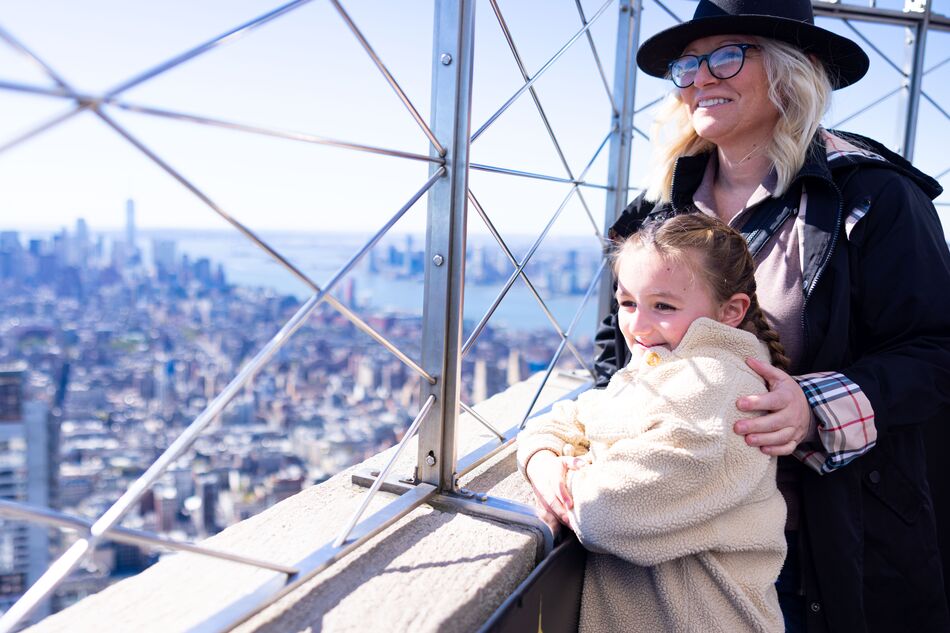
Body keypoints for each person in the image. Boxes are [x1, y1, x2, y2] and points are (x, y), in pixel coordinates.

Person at [590, 1, 950, 631]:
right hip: (675, 529)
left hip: (828, 545)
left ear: (793, 70)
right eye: (688, 63)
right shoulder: (656, 211)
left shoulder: (873, 196)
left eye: (727, 55)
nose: (701, 77)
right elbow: (614, 352)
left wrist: (815, 409)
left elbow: (937, 349)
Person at [519, 213, 790, 632]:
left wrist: (576, 475)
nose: (638, 326)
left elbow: (606, 512)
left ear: (731, 311)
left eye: (663, 306)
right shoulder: (657, 370)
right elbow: (562, 419)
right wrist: (545, 461)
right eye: (627, 303)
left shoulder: (719, 388)